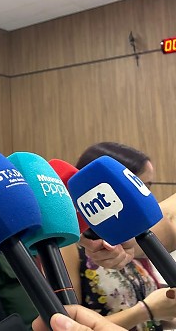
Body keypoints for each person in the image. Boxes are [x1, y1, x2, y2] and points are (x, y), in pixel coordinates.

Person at [61, 142, 176, 331]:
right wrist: (146, 311)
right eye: (141, 186)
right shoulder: (69, 244)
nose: (149, 196)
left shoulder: (136, 239)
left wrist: (165, 313)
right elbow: (65, 323)